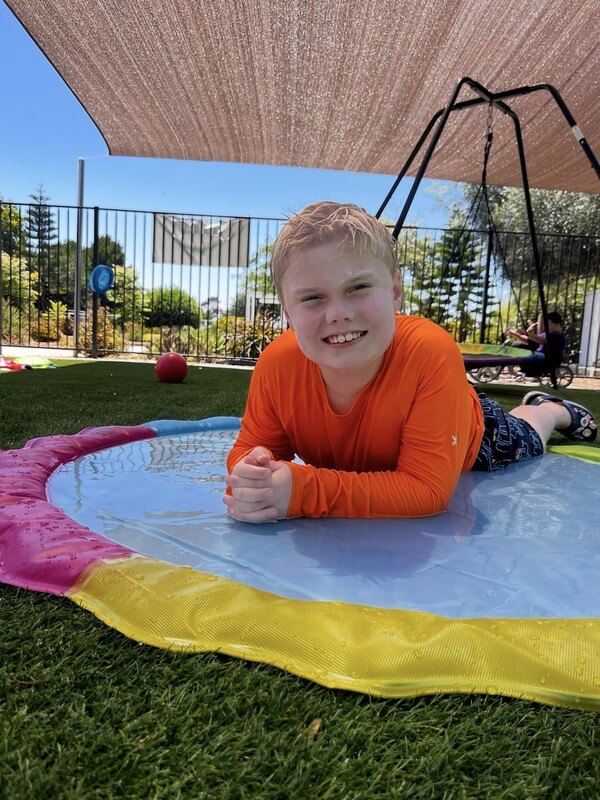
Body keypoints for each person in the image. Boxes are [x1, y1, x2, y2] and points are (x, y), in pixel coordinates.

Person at [223, 202, 597, 523]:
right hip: (414, 419)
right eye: (312, 298)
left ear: (396, 290)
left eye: (358, 288)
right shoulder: (277, 364)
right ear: (288, 310)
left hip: (473, 434)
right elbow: (251, 449)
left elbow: (427, 491)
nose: (337, 314)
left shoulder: (430, 350)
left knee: (528, 439)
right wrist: (252, 473)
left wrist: (304, 492)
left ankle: (549, 409)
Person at [506, 311, 566, 377]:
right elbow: (528, 339)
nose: (547, 327)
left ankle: (529, 372)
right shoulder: (546, 334)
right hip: (539, 357)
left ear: (557, 324)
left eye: (549, 324)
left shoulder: (558, 335)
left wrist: (526, 333)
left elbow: (542, 341)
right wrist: (514, 334)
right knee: (517, 345)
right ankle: (524, 371)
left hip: (547, 361)